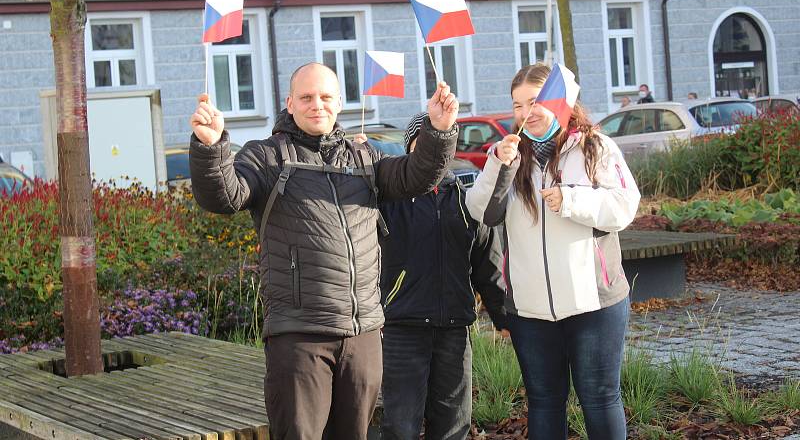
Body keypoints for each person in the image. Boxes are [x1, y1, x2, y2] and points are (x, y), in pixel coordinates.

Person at [188, 62, 459, 440]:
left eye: (326, 97)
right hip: (299, 335)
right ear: (290, 103)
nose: (318, 105)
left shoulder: (365, 159)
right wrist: (211, 146)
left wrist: (439, 131)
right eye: (307, 97)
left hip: (362, 331)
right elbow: (223, 196)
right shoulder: (266, 157)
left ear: (339, 102)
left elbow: (416, 175)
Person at [465, 64, 640, 440]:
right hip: (530, 310)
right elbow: (481, 212)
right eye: (518, 105)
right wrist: (498, 164)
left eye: (536, 101)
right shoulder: (509, 156)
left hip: (594, 304)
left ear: (562, 103)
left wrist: (572, 200)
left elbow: (625, 207)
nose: (528, 112)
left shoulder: (595, 147)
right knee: (544, 401)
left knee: (600, 398)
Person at [357, 113, 507, 440]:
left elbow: (488, 265)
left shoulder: (467, 200)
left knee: (453, 425)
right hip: (402, 328)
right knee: (401, 426)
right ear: (410, 148)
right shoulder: (388, 199)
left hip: (454, 328)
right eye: (423, 143)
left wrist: (504, 317)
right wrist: (360, 163)